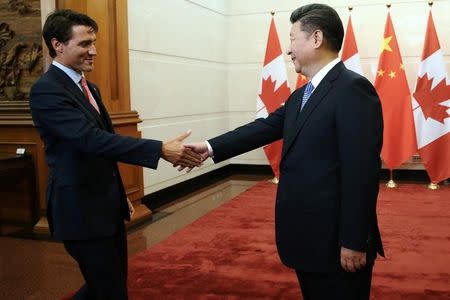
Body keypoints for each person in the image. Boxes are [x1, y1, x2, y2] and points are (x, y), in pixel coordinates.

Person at [184, 4, 384, 300]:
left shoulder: (353, 89)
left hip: (336, 243)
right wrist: (211, 147)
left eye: (292, 39)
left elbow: (361, 173)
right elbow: (263, 128)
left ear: (316, 38)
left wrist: (354, 241)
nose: (288, 49)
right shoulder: (303, 94)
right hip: (309, 239)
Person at [29, 9, 201, 299]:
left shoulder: (89, 87)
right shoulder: (47, 91)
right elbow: (90, 140)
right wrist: (159, 149)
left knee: (108, 285)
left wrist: (119, 196)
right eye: (84, 44)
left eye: (94, 42)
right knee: (109, 290)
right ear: (57, 44)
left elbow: (104, 146)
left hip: (103, 206)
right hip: (80, 211)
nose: (93, 51)